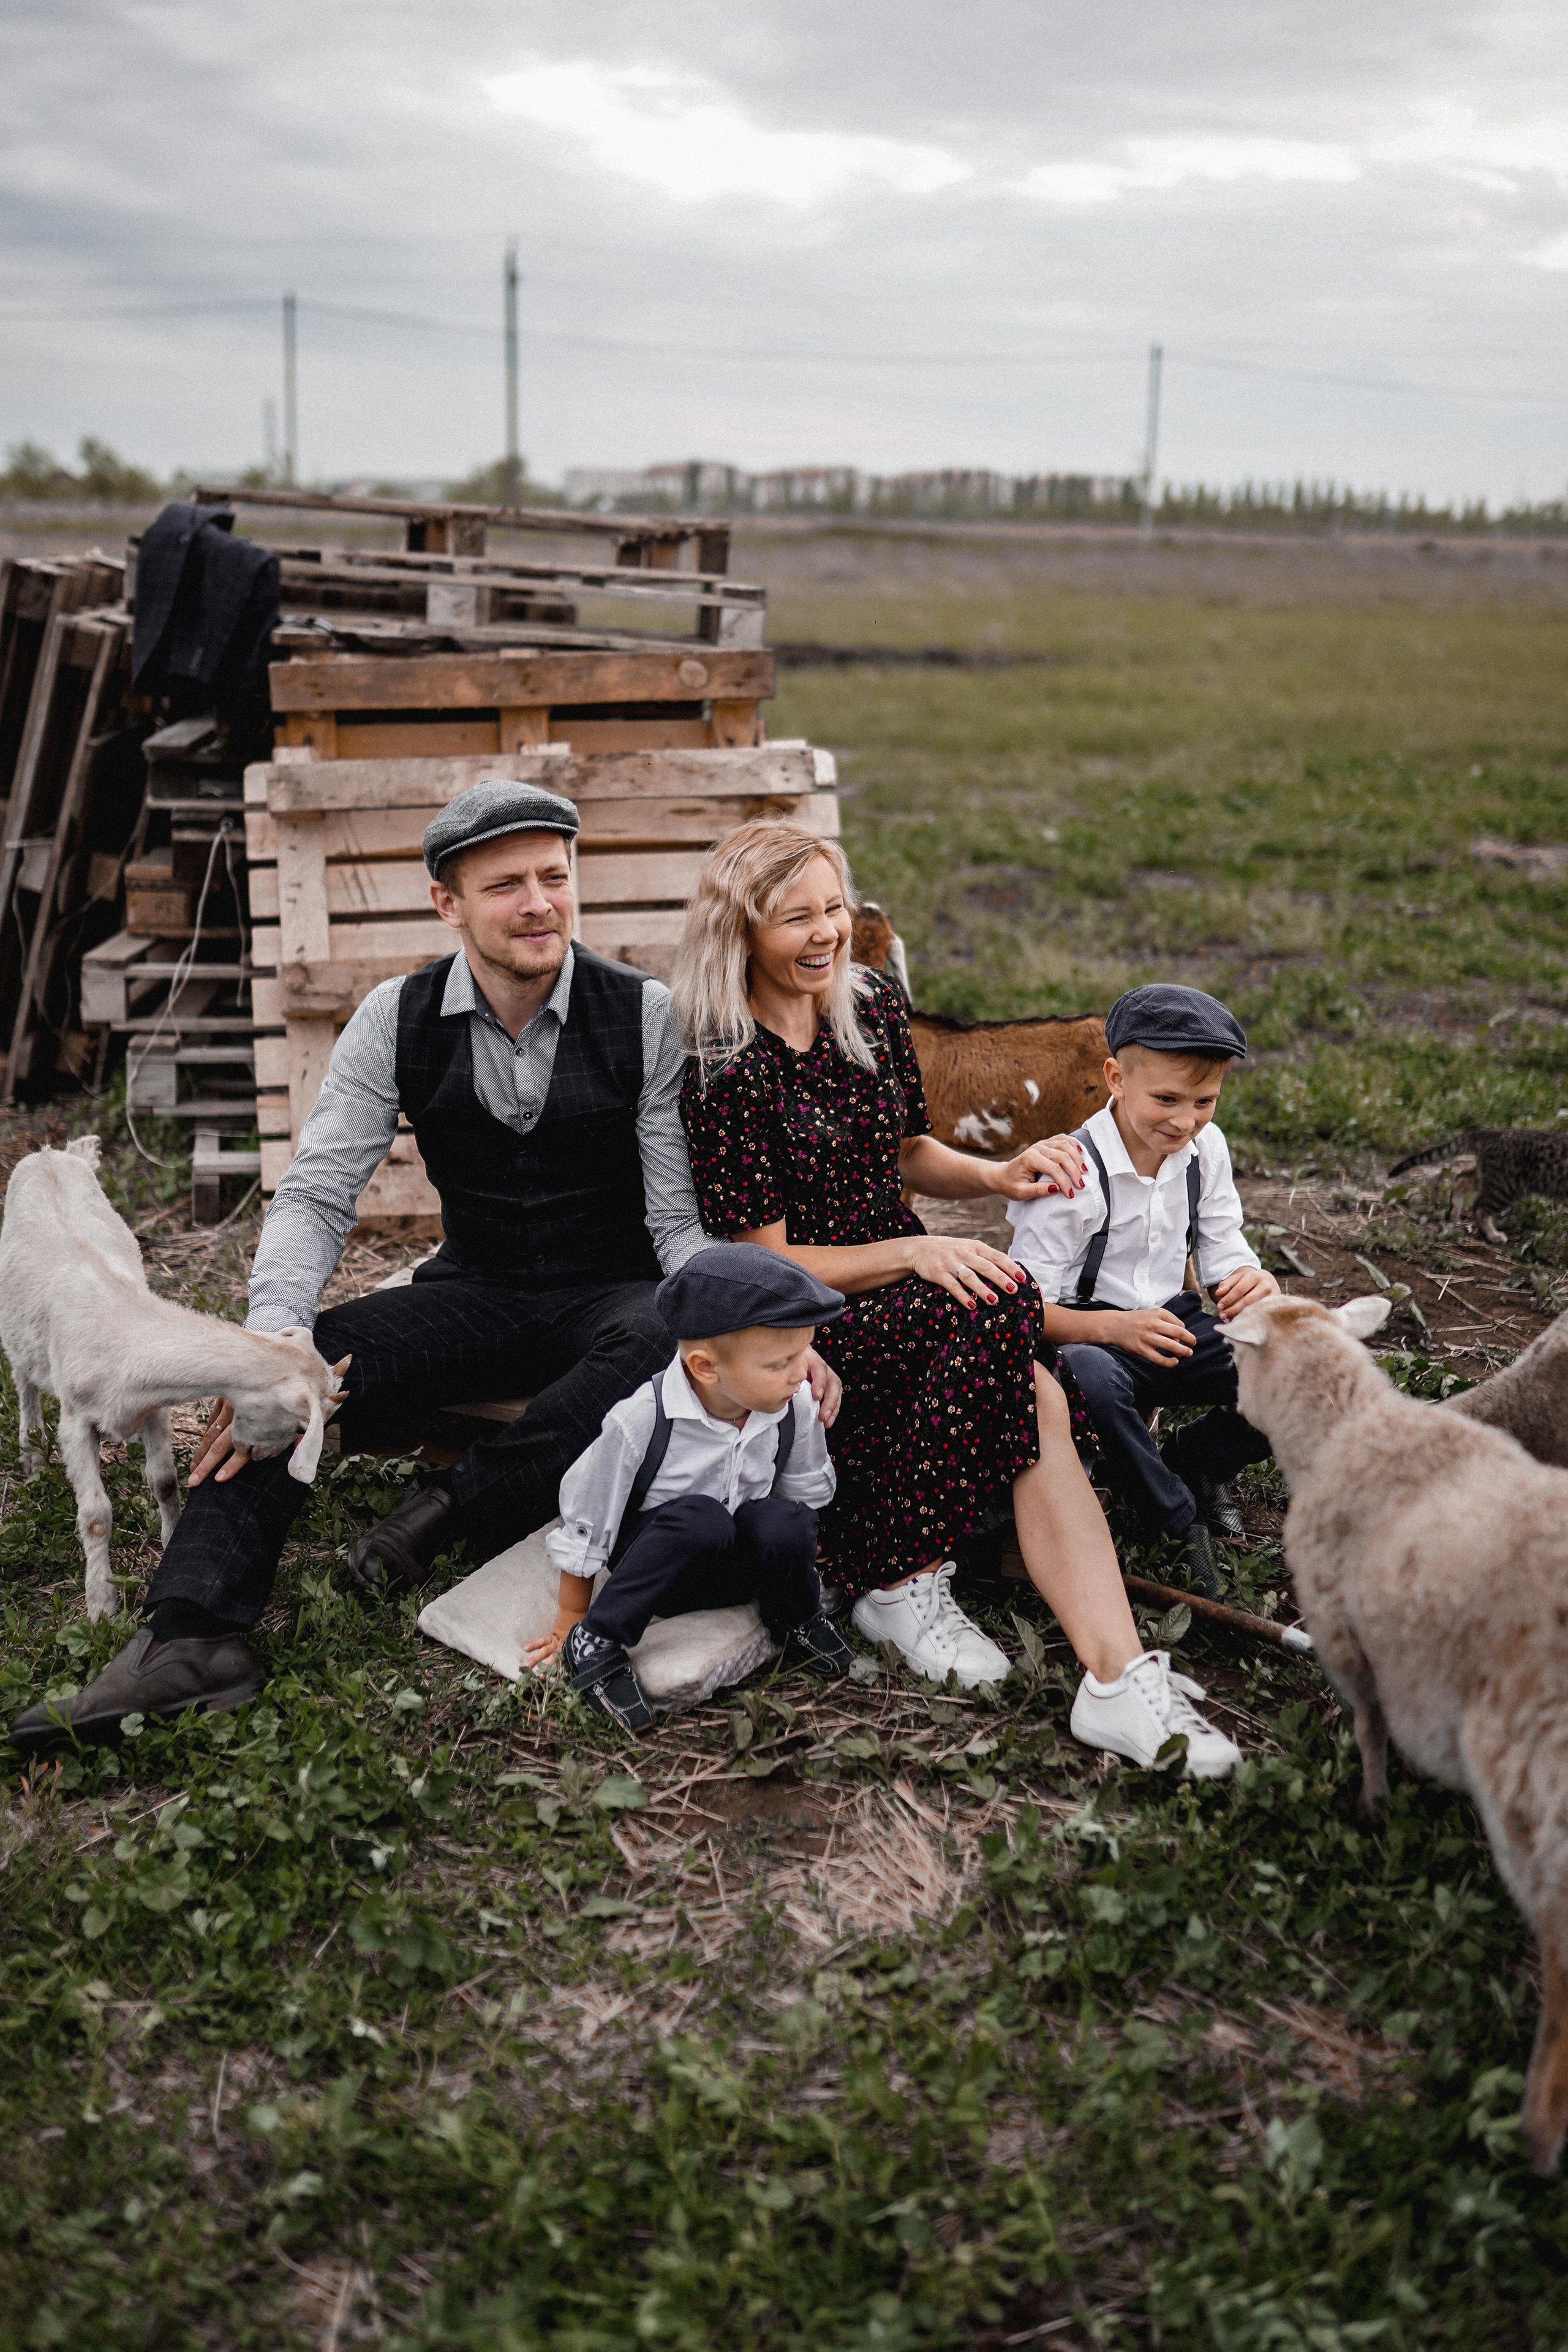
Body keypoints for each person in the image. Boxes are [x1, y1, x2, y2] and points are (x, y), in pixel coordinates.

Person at [9, 782, 838, 1758]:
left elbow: (674, 1225)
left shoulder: (642, 1013)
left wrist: (754, 1326)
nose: (539, 903)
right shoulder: (394, 1018)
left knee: (666, 1333)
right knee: (302, 1362)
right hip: (475, 1288)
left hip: (611, 1293)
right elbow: (317, 1194)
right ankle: (191, 1632)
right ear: (449, 904)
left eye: (554, 878)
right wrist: (276, 1335)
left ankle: (443, 1513)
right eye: (506, 886)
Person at [673, 820, 1242, 1774]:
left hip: (903, 1276)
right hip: (806, 1312)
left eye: (833, 911)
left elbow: (905, 1155)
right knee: (993, 1309)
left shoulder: (867, 1009)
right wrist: (910, 1253)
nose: (825, 936)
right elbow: (761, 1260)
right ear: (740, 931)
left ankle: (1113, 1674)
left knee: (1038, 1386)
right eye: (795, 919)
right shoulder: (726, 1066)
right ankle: (900, 1575)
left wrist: (1001, 1175)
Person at [1007, 982, 1278, 1601]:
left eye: (1204, 1101)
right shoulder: (1072, 1172)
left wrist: (1250, 1281)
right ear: (1115, 1077)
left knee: (1291, 1360)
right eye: (1166, 1099)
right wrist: (1109, 1329)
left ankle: (1199, 1460)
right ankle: (1175, 1517)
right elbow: (1020, 1313)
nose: (1185, 1120)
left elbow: (1222, 1246)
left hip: (1170, 1325)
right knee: (1094, 1380)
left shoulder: (1204, 1149)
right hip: (1083, 1336)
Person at [526, 1243, 853, 1732]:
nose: (797, 1373)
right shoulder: (643, 1418)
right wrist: (572, 1612)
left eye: (801, 1353)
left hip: (738, 1568)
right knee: (700, 1517)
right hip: (664, 1569)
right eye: (779, 1363)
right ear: (706, 1368)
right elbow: (589, 1516)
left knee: (786, 1516)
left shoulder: (795, 1404)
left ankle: (795, 1615)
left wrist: (795, 1553)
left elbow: (803, 1493)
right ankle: (598, 1639)